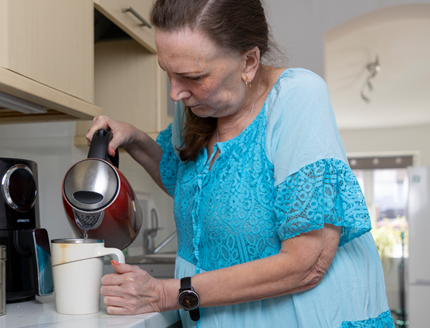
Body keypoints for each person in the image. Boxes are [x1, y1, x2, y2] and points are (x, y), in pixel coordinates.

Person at [87, 0, 394, 327]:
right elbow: (186, 183)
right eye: (168, 73)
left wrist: (165, 293)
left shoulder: (297, 98)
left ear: (249, 61)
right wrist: (134, 138)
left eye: (192, 76)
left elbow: (307, 263)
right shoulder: (198, 106)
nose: (176, 93)